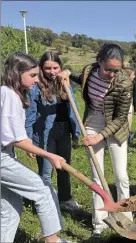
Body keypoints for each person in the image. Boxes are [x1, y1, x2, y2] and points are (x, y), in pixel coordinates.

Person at [58, 43, 133, 238]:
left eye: (116, 70)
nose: (111, 74)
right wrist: (66, 72)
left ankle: (126, 219)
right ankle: (99, 223)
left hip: (116, 127)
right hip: (93, 121)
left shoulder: (125, 83)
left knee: (121, 176)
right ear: (99, 61)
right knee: (96, 177)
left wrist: (100, 136)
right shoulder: (89, 71)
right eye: (108, 69)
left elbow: (120, 117)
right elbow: (78, 78)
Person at [1, 52, 73, 243]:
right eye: (32, 75)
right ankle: (53, 240)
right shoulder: (9, 96)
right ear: (17, 73)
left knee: (10, 205)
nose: (36, 79)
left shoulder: (7, 92)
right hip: (2, 157)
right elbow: (14, 138)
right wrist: (50, 155)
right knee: (43, 190)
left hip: (5, 153)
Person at [25, 52, 81, 211]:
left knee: (64, 167)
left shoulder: (64, 83)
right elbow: (29, 115)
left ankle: (65, 198)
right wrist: (28, 140)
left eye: (55, 67)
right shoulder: (35, 87)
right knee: (46, 170)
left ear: (60, 67)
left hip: (63, 131)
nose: (52, 71)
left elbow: (74, 106)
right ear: (41, 68)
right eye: (47, 68)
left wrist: (67, 78)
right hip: (44, 133)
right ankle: (44, 203)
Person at [124, 67, 136, 144]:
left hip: (129, 111)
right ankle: (124, 148)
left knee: (128, 129)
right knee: (125, 131)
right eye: (133, 74)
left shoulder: (130, 85)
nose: (134, 76)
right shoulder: (125, 86)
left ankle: (126, 146)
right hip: (125, 112)